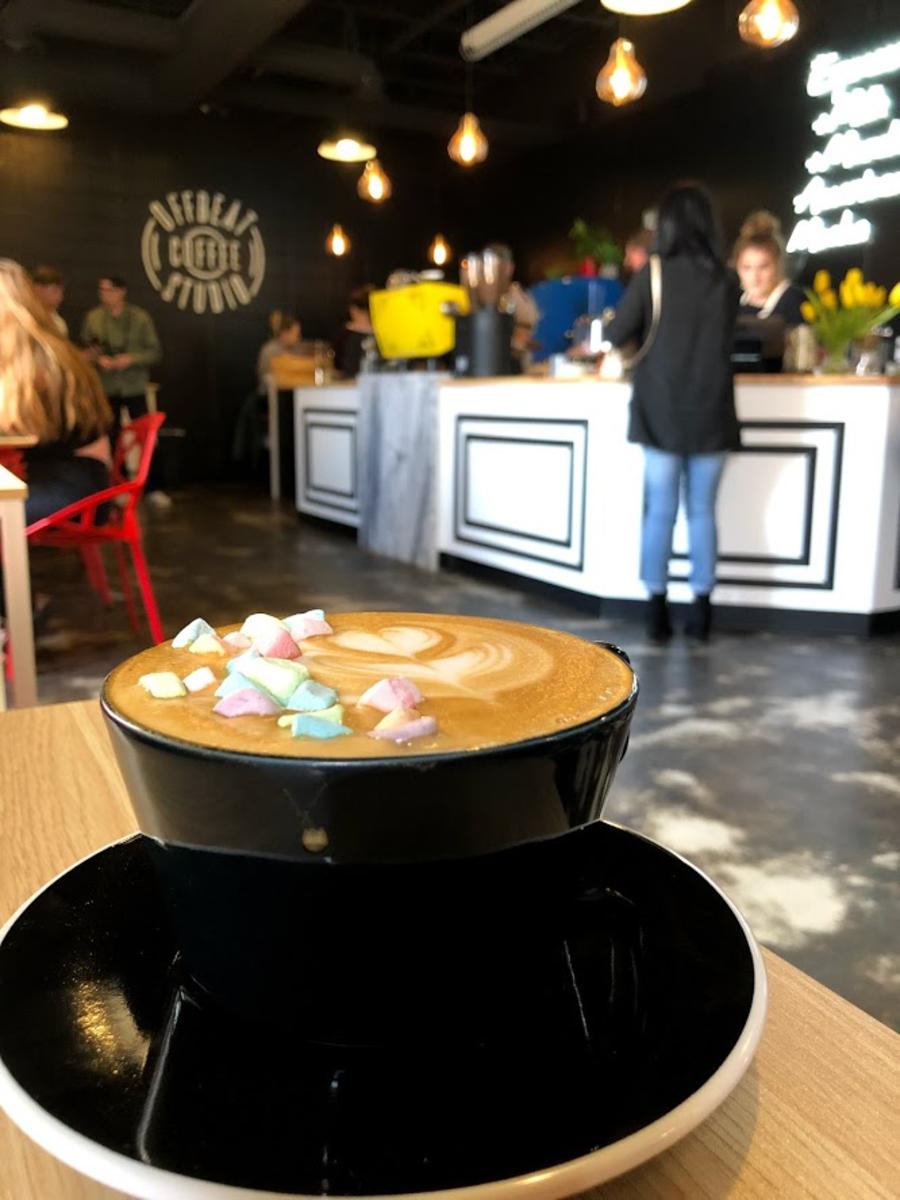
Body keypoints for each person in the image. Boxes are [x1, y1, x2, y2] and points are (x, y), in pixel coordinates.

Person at [604, 183, 740, 643]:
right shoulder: (726, 279)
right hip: (713, 412)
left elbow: (618, 330)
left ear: (667, 224)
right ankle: (702, 613)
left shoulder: (654, 274)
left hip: (660, 411)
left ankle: (656, 614)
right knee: (702, 511)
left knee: (660, 511)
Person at [0, 259, 112, 526]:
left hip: (75, 485)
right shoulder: (41, 349)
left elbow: (23, 430)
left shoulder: (40, 358)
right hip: (61, 473)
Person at [80, 275, 161, 437]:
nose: (104, 294)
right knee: (108, 434)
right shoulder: (93, 318)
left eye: (109, 290)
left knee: (144, 434)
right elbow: (84, 352)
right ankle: (114, 463)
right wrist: (97, 359)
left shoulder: (140, 318)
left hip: (134, 386)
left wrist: (132, 359)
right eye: (101, 290)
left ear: (122, 292)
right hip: (106, 387)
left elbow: (155, 353)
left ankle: (148, 463)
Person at [734, 211, 805, 327]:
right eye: (747, 268)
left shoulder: (796, 303)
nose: (755, 276)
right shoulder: (733, 305)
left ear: (778, 265)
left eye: (763, 267)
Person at [484, 242, 539, 371]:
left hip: (513, 369)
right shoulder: (481, 298)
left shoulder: (515, 295)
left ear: (509, 268)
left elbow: (524, 336)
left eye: (494, 266)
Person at [334, 285, 375, 378]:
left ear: (354, 309)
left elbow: (337, 364)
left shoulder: (344, 334)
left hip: (348, 384)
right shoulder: (383, 335)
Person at [257, 311, 303, 393]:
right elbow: (264, 377)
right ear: (285, 333)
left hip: (291, 392)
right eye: (296, 334)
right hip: (269, 395)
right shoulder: (269, 350)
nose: (299, 338)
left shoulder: (297, 350)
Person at [31, 265, 68, 337]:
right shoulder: (22, 318)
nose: (60, 296)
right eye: (55, 291)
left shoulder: (59, 324)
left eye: (61, 292)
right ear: (38, 289)